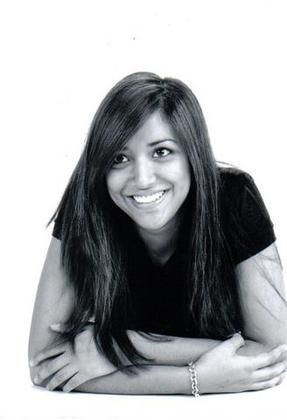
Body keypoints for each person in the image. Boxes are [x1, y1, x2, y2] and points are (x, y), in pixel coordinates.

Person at [29, 72, 287, 395]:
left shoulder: (235, 199)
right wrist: (197, 379)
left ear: (192, 154)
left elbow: (272, 351)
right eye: (119, 158)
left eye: (161, 152)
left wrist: (119, 348)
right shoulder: (86, 203)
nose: (142, 178)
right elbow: (44, 363)